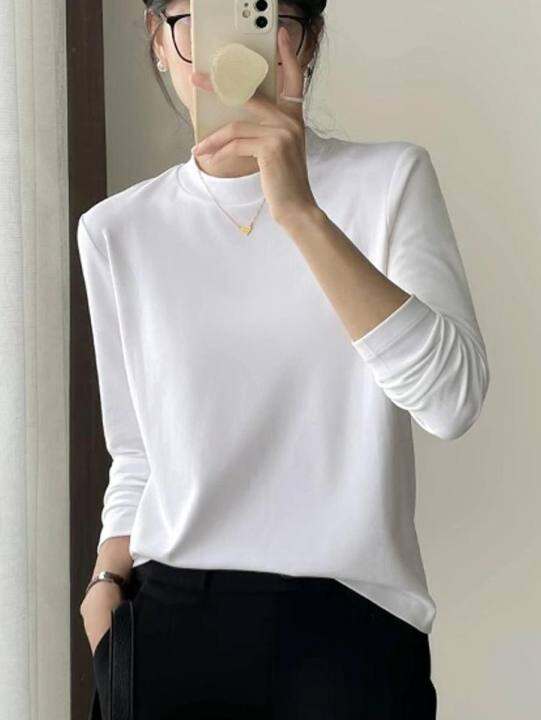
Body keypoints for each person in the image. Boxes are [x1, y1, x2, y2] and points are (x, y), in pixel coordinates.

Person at [78, 1, 490, 718]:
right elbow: (137, 451)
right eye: (195, 22)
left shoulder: (388, 183)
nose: (227, 55)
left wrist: (299, 210)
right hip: (169, 628)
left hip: (350, 630)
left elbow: (451, 402)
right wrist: (104, 587)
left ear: (307, 41)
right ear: (159, 40)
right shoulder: (117, 230)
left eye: (263, 19)